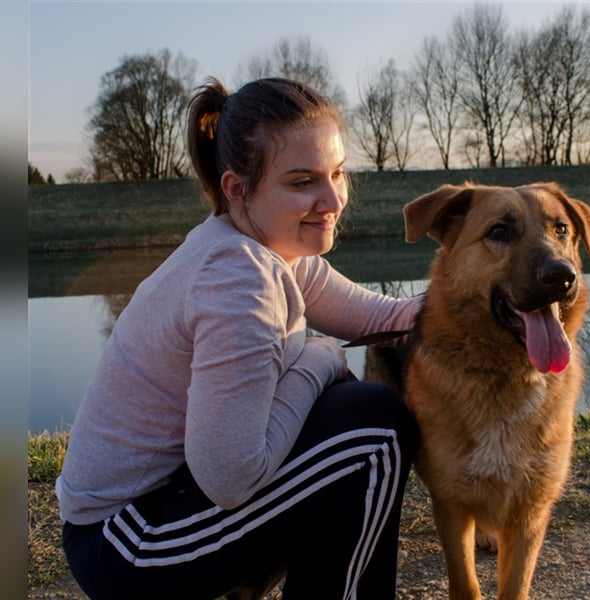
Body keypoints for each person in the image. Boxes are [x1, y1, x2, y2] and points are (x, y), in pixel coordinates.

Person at [56, 77, 421, 600]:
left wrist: (489, 303)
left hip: (156, 513)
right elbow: (229, 477)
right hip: (130, 542)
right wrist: (321, 358)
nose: (332, 199)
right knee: (374, 431)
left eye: (337, 173)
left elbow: (382, 316)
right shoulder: (237, 278)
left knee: (349, 413)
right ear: (237, 189)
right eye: (302, 182)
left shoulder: (272, 249)